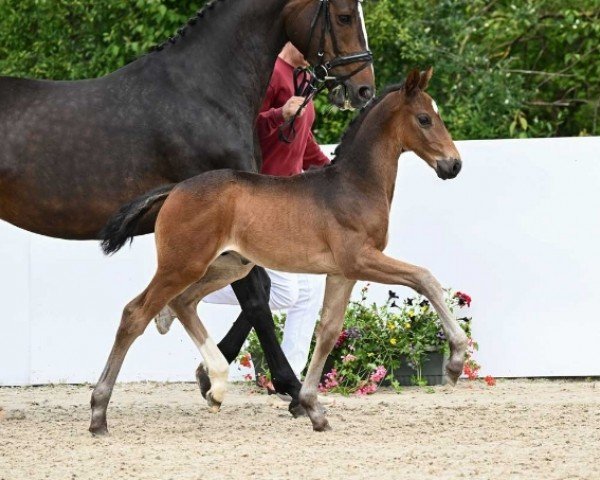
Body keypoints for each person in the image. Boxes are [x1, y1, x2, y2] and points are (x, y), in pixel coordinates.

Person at [156, 43, 329, 382]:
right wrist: (280, 115)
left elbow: (303, 141)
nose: (320, 50)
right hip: (264, 195)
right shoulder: (270, 73)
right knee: (282, 292)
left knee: (305, 294)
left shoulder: (303, 77)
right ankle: (175, 289)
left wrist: (332, 169)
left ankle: (291, 375)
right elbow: (245, 129)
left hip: (292, 196)